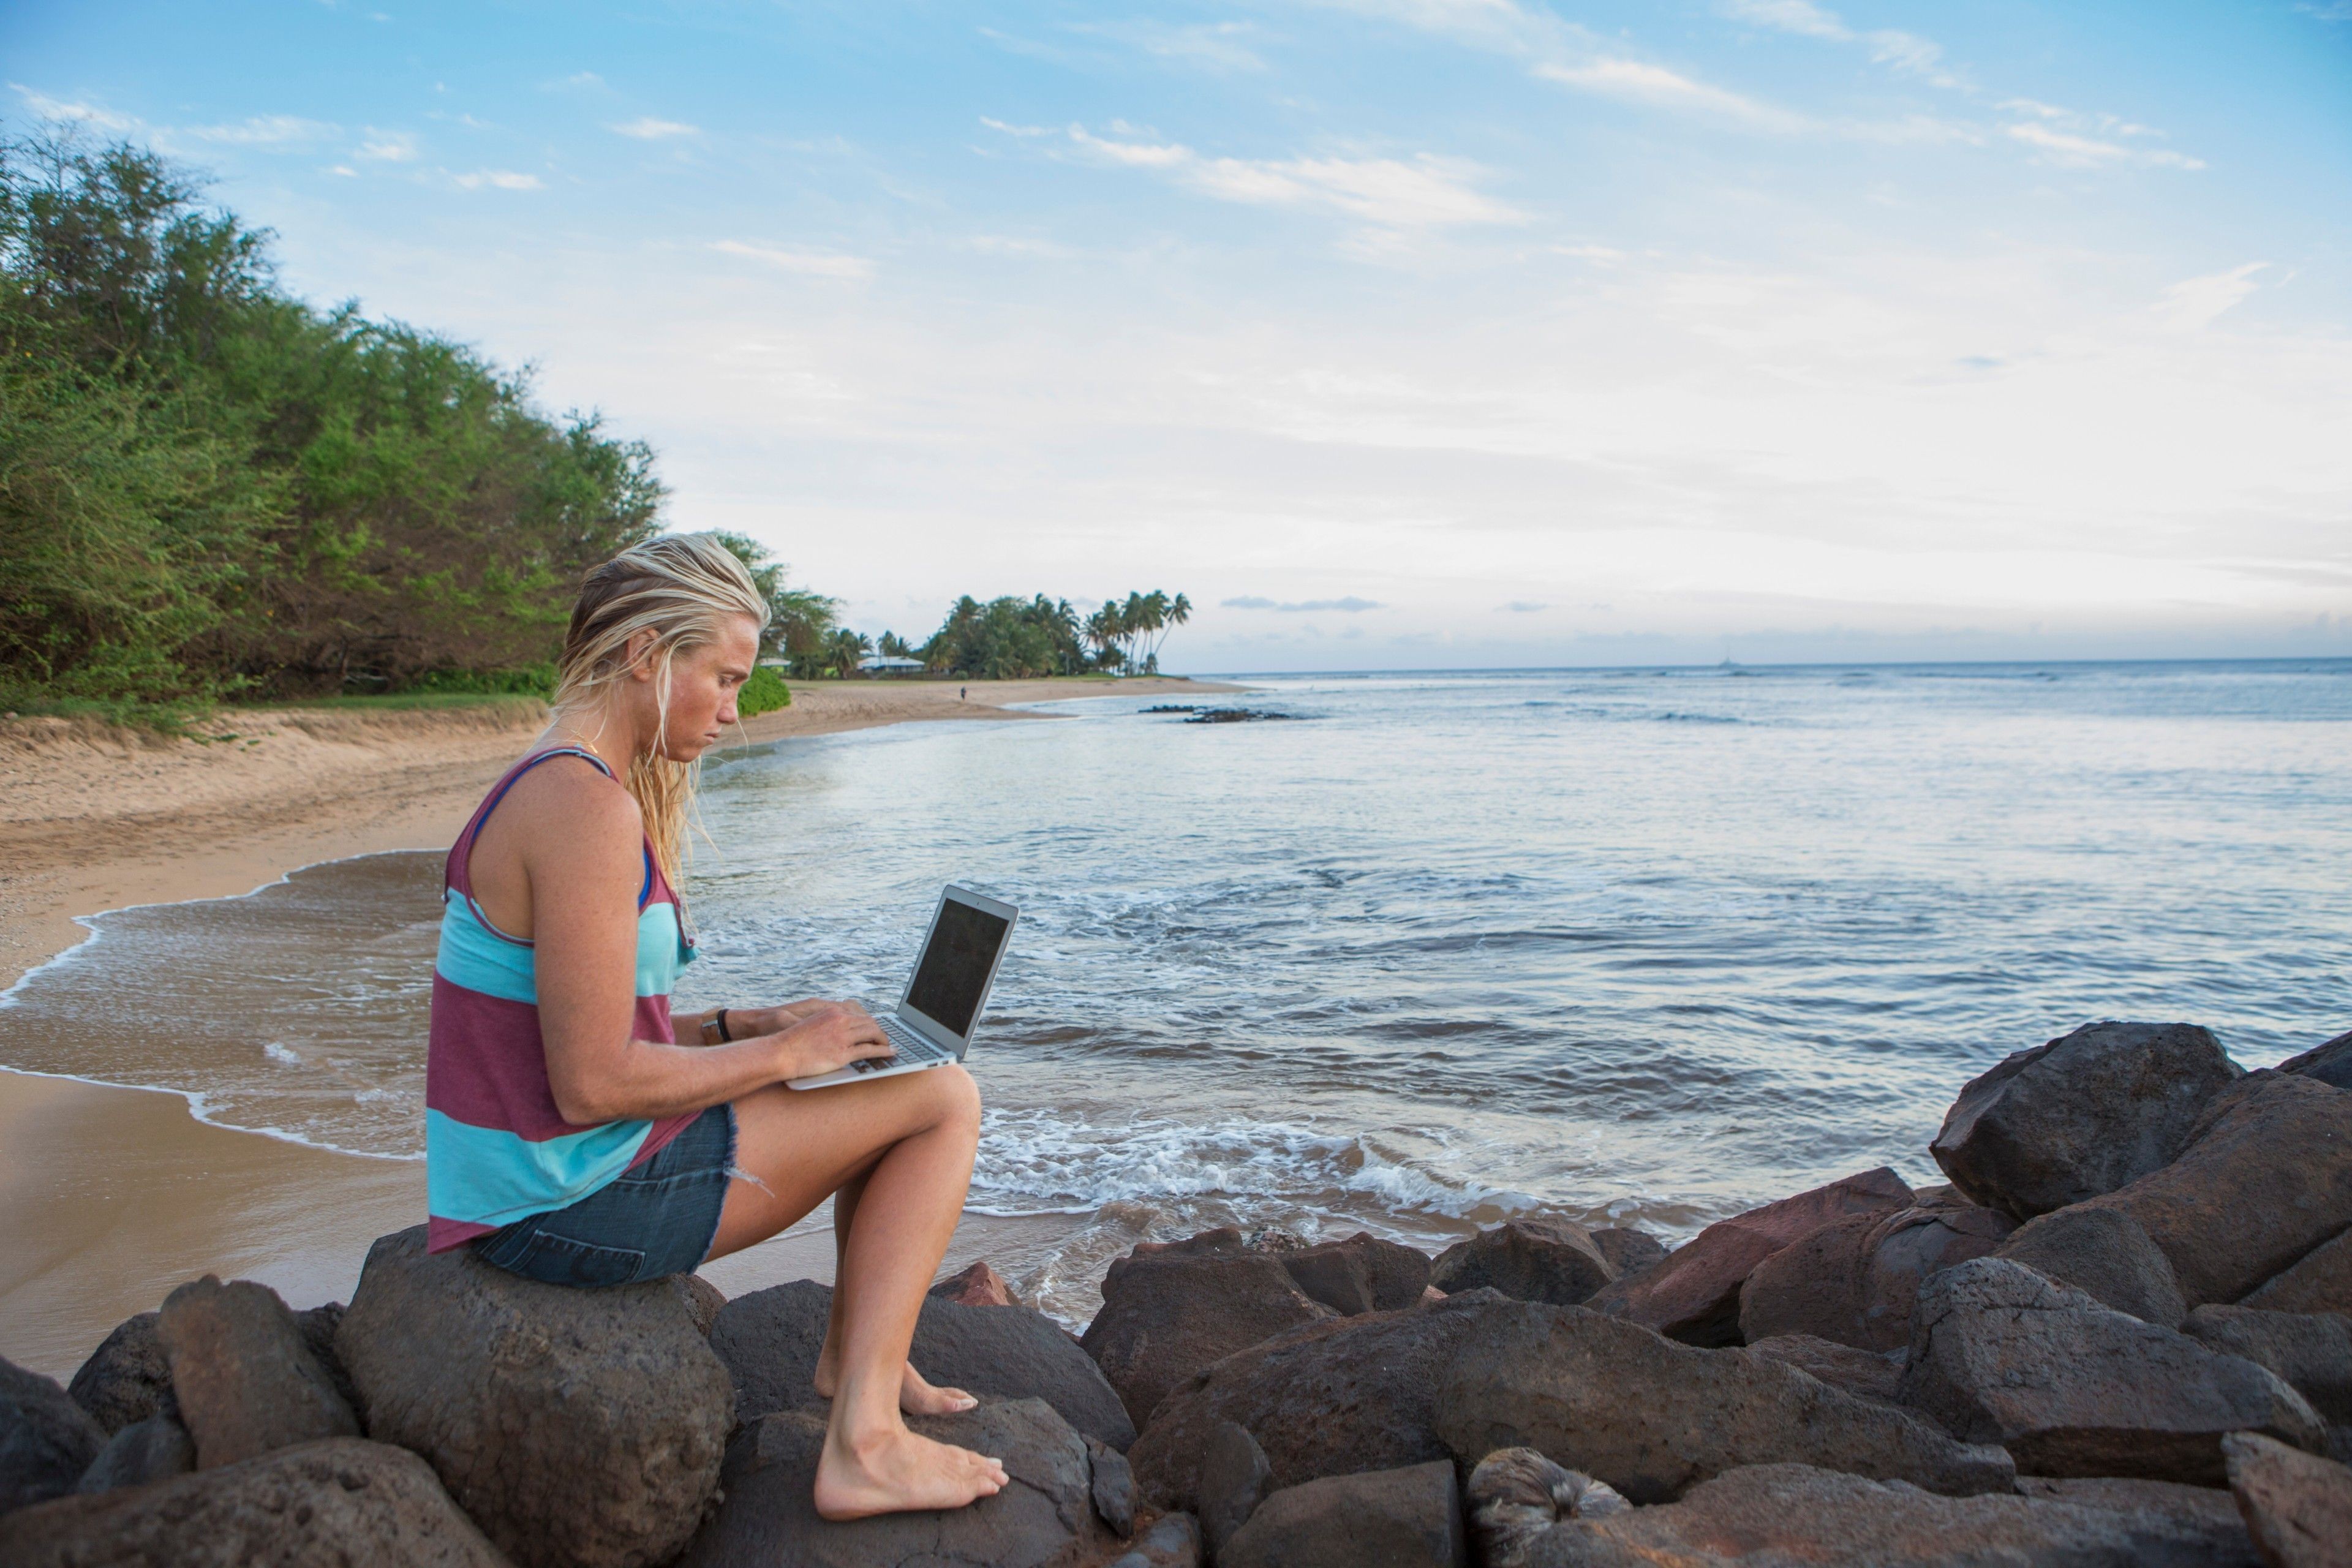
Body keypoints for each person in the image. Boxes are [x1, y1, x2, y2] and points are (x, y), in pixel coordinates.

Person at [424, 532, 1005, 1520]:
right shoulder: (584, 808)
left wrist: (745, 1023)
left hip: (532, 1182)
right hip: (560, 1203)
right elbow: (593, 1084)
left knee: (865, 1080)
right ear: (648, 656)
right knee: (943, 1097)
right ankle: (864, 1440)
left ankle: (857, 1357)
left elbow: (577, 1028)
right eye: (725, 678)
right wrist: (782, 1054)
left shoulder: (556, 782)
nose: (735, 712)